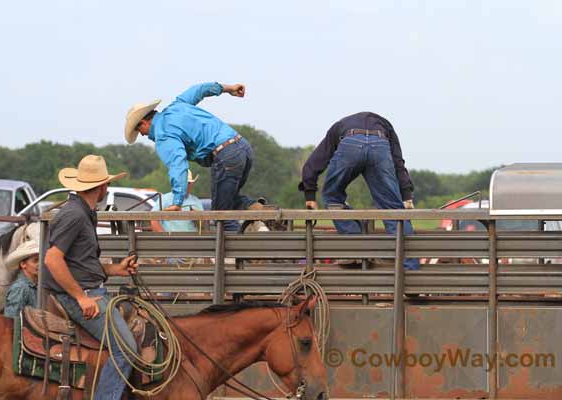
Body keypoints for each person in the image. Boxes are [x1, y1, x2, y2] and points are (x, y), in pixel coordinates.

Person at [43, 155, 138, 400]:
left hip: (87, 289)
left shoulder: (83, 211)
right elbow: (53, 259)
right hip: (82, 296)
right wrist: (81, 298)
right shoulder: (75, 215)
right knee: (126, 349)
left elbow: (79, 263)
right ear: (103, 186)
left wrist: (115, 270)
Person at [124, 82, 265, 231]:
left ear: (143, 123)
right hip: (243, 147)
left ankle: (241, 252)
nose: (143, 135)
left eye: (139, 130)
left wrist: (177, 201)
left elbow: (178, 164)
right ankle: (256, 208)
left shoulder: (163, 134)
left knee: (220, 216)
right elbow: (200, 90)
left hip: (225, 155)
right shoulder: (178, 105)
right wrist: (228, 89)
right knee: (227, 200)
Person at [299, 112, 419, 270]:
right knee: (393, 209)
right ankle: (410, 270)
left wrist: (310, 195)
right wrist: (406, 195)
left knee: (332, 197)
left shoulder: (338, 127)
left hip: (350, 143)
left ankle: (356, 249)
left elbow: (317, 160)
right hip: (380, 145)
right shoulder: (386, 126)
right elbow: (398, 162)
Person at [3, 240, 39, 318]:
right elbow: (11, 319)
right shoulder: (20, 288)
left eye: (41, 260)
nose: (39, 264)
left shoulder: (36, 285)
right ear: (23, 264)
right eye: (35, 260)